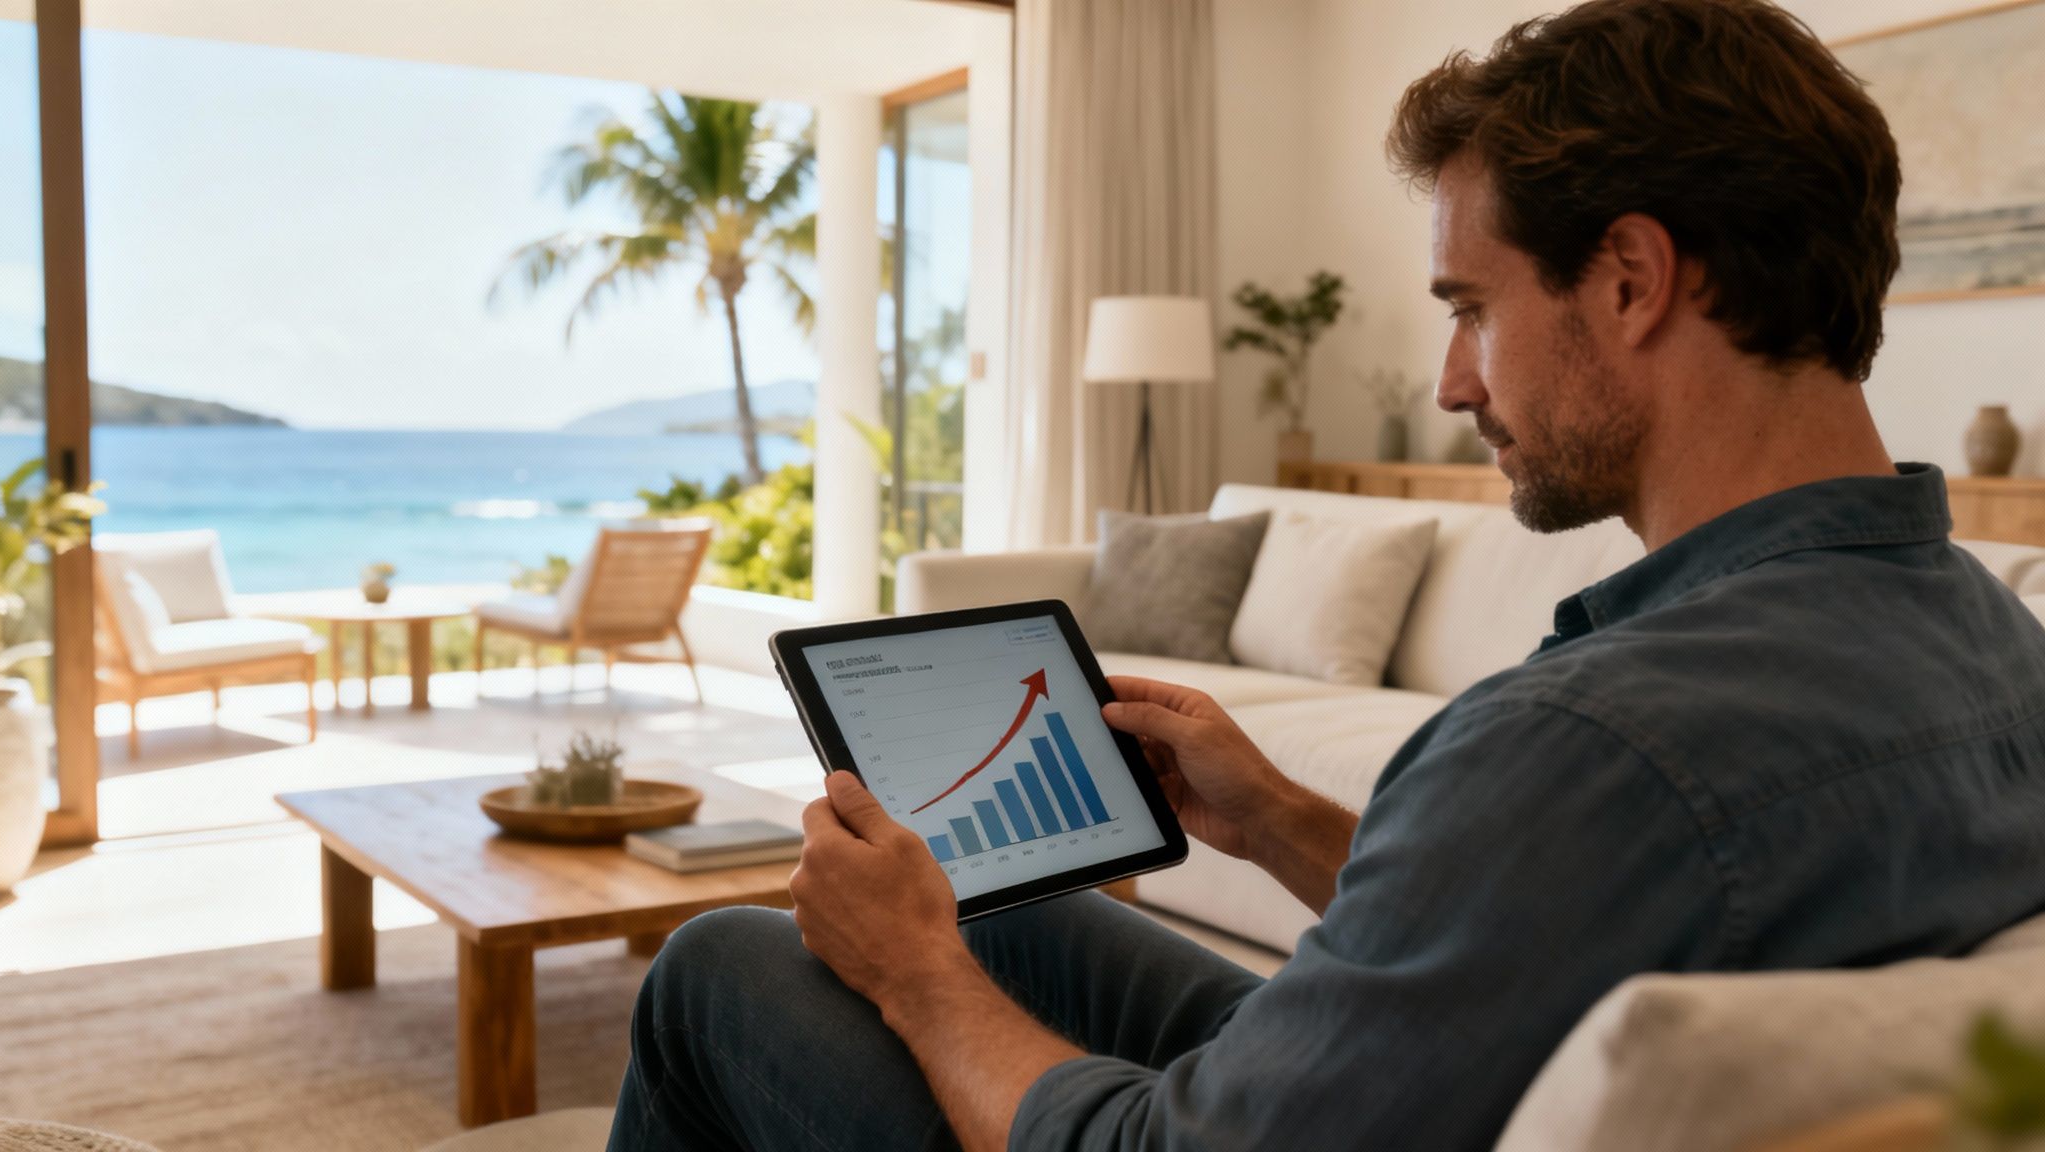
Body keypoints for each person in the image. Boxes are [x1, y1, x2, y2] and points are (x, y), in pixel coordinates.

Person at [606, 1, 2045, 1148]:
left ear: (1629, 278)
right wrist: (1287, 822)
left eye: (1474, 309)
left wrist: (917, 979)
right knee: (1023, 905)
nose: (1452, 382)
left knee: (721, 970)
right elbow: (1574, 919)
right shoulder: (1990, 638)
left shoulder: (1586, 747)